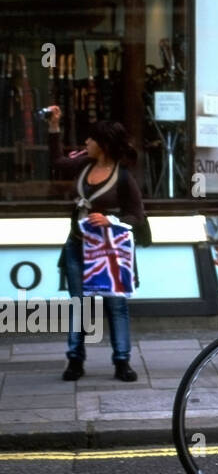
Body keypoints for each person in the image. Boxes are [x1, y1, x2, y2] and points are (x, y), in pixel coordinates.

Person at [46, 106, 146, 382]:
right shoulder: (83, 164)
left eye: (90, 140)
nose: (86, 143)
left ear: (102, 145)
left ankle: (122, 361)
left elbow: (137, 216)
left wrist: (111, 219)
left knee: (116, 306)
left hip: (110, 254)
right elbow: (56, 162)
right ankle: (75, 360)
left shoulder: (123, 176)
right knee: (79, 304)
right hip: (78, 247)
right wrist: (54, 127)